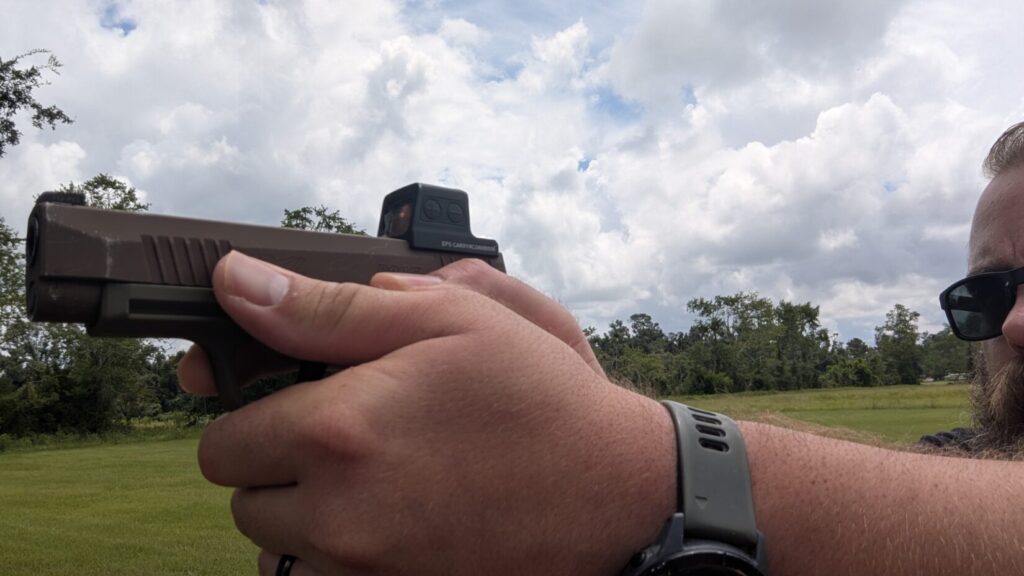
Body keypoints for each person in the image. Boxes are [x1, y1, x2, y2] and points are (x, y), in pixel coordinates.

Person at [178, 122, 1024, 575]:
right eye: (989, 294)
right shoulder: (957, 467)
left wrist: (639, 470)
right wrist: (588, 421)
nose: (1015, 325)